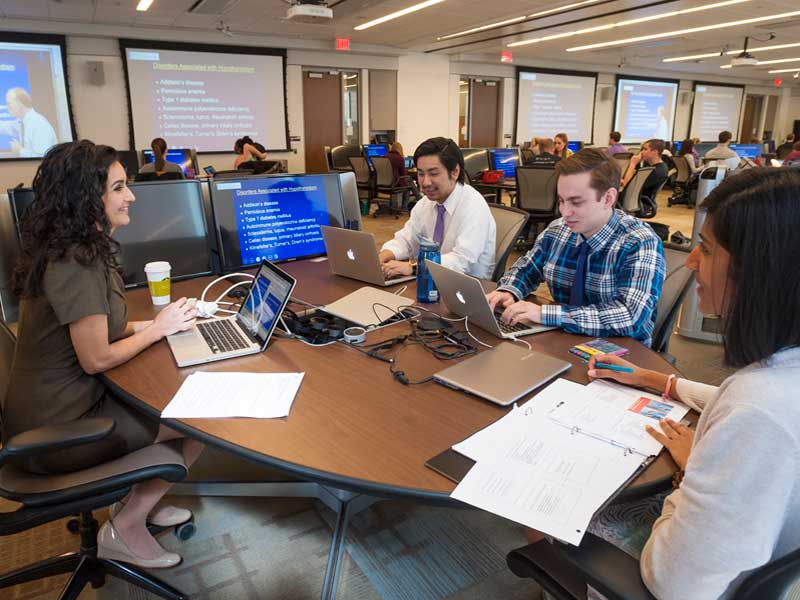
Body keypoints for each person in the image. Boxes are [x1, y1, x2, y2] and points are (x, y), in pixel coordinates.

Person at [583, 167, 800, 599]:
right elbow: (737, 401)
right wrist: (656, 380)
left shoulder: (756, 412)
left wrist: (690, 471)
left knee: (563, 505)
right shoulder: (779, 379)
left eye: (706, 247)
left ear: (758, 269)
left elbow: (676, 584)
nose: (693, 261)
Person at [3, 140, 204, 568]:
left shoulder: (74, 249)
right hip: (57, 432)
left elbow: (100, 329)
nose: (130, 196)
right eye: (118, 188)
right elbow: (95, 358)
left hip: (53, 408)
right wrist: (157, 332)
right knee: (200, 420)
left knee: (173, 400)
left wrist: (156, 323)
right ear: (85, 197)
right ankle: (128, 524)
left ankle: (142, 503)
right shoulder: (76, 261)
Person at [487, 148, 665, 345]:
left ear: (608, 198)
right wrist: (509, 290)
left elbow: (631, 317)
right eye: (561, 201)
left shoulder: (639, 241)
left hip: (621, 351)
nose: (565, 212)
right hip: (564, 338)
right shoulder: (558, 230)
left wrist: (545, 313)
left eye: (576, 202)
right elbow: (526, 269)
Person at [379, 137, 496, 280]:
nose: (425, 182)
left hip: (466, 286)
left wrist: (413, 267)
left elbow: (463, 261)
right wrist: (384, 255)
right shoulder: (425, 203)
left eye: (433, 173)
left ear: (455, 172)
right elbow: (407, 239)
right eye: (421, 174)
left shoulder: (473, 206)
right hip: (430, 280)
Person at [0, 87, 58, 157]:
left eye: (9, 103)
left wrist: (20, 150)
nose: (7, 107)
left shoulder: (39, 124)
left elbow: (42, 157)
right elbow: (3, 127)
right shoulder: (21, 123)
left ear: (20, 103)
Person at [621, 138, 669, 216]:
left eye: (645, 149)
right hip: (636, 200)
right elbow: (632, 181)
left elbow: (626, 185)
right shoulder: (659, 167)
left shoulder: (655, 171)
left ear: (655, 152)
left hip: (636, 203)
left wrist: (632, 164)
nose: (641, 152)